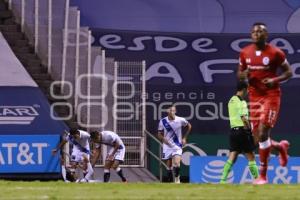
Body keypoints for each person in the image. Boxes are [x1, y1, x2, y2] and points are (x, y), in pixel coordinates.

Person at [238, 22, 293, 184]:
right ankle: (280, 147)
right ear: (251, 35)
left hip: (271, 95)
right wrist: (244, 75)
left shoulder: (276, 53)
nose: (257, 34)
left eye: (260, 31)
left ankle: (263, 175)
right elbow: (239, 74)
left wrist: (275, 79)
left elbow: (289, 72)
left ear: (266, 35)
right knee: (256, 140)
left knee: (263, 133)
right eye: (254, 31)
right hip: (254, 97)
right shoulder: (245, 53)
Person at [220, 81, 259, 183]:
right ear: (244, 89)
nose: (248, 92)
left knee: (233, 156)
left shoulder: (231, 100)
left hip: (233, 132)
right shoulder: (242, 102)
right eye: (248, 90)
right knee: (251, 156)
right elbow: (244, 118)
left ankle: (222, 181)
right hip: (242, 131)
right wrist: (249, 130)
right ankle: (258, 180)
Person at [157, 105, 192, 183]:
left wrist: (185, 138)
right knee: (169, 165)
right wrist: (163, 138)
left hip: (177, 145)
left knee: (176, 162)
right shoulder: (163, 121)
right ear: (167, 112)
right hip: (167, 146)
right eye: (170, 111)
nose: (172, 112)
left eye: (173, 111)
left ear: (175, 111)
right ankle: (169, 180)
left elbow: (189, 126)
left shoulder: (181, 120)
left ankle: (177, 179)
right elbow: (159, 134)